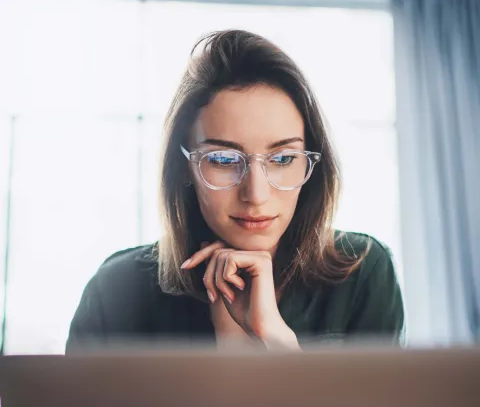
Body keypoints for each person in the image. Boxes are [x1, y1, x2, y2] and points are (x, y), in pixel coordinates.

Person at [66, 30, 404, 353]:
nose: (255, 195)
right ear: (184, 166)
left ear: (311, 165)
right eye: (224, 159)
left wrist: (277, 341)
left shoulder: (363, 271)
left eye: (283, 158)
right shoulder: (116, 291)